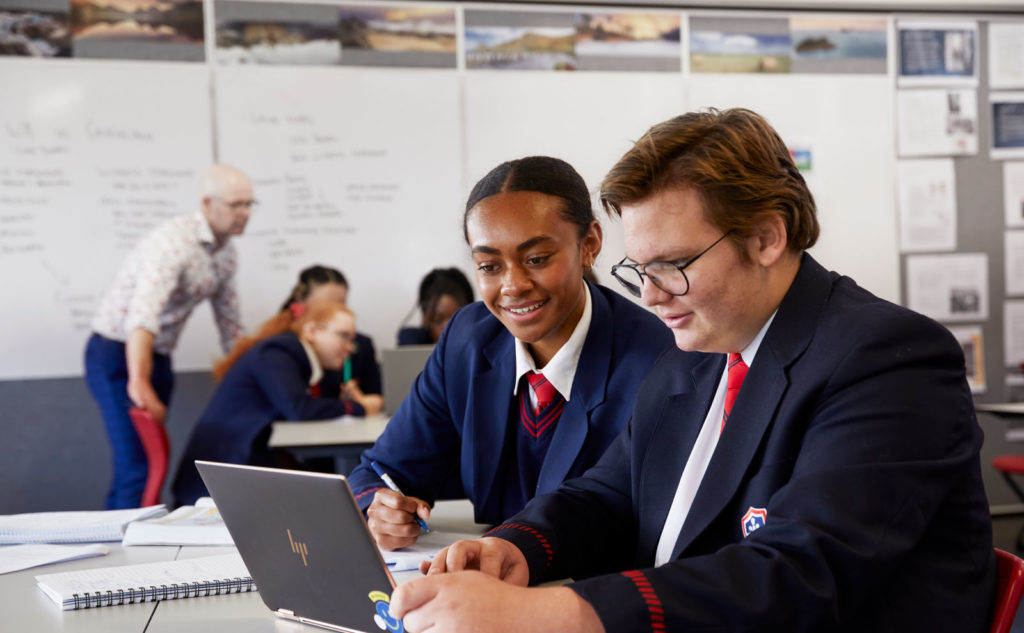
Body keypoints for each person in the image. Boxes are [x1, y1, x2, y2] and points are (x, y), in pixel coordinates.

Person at [389, 109, 995, 633]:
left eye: (673, 265)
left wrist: (562, 614)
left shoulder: (887, 358)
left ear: (765, 237)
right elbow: (611, 493)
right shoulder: (700, 350)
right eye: (640, 269)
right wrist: (515, 547)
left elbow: (801, 573)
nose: (650, 297)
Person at [348, 156, 674, 549]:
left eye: (536, 259)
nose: (513, 285)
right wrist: (380, 510)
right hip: (486, 585)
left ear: (589, 244)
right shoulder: (468, 341)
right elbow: (381, 472)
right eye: (489, 266)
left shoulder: (659, 360)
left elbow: (650, 529)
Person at [85, 164, 252, 509]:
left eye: (250, 204)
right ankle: (122, 557)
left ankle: (130, 542)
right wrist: (139, 380)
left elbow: (231, 327)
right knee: (137, 467)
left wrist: (250, 376)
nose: (245, 213)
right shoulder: (173, 244)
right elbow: (141, 319)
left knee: (148, 465)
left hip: (158, 355)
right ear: (207, 204)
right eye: (236, 204)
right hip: (118, 355)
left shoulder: (225, 255)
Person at [172, 300, 383, 505]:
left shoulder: (293, 357)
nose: (349, 347)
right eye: (343, 336)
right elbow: (299, 408)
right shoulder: (277, 352)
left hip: (240, 468)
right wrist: (360, 408)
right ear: (312, 331)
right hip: (219, 477)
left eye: (351, 340)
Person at [274, 264, 382, 398]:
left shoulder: (360, 345)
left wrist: (359, 399)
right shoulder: (280, 348)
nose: (335, 311)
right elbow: (298, 406)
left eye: (341, 303)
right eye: (325, 305)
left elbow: (378, 396)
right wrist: (348, 407)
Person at [397, 267, 474, 346]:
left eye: (456, 319)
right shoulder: (413, 340)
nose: (447, 329)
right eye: (438, 321)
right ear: (426, 319)